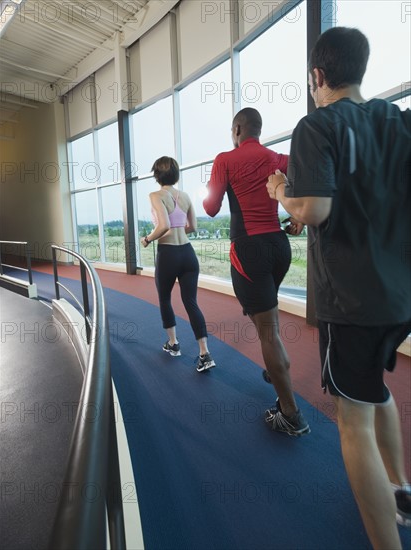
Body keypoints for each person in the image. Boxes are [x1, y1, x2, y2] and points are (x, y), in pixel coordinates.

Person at [266, 26, 411, 549]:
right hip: (400, 298)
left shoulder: (316, 125)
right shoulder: (399, 120)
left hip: (352, 300)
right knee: (375, 389)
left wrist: (283, 190)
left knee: (352, 418)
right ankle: (402, 489)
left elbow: (312, 209)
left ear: (318, 76)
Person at [203, 107, 310, 436]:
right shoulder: (278, 158)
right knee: (269, 320)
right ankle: (275, 366)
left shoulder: (225, 159)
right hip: (280, 248)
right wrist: (299, 217)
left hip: (248, 251)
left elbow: (210, 207)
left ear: (237, 129)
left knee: (268, 333)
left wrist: (218, 182)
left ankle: (291, 414)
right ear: (258, 131)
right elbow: (308, 181)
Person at [141, 156, 216, 372]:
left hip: (168, 255)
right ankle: (205, 353)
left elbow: (163, 225)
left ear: (157, 175)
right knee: (191, 302)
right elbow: (193, 226)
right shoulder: (185, 196)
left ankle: (173, 345)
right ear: (176, 174)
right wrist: (178, 232)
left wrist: (147, 239)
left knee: (165, 299)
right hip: (187, 254)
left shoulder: (155, 195)